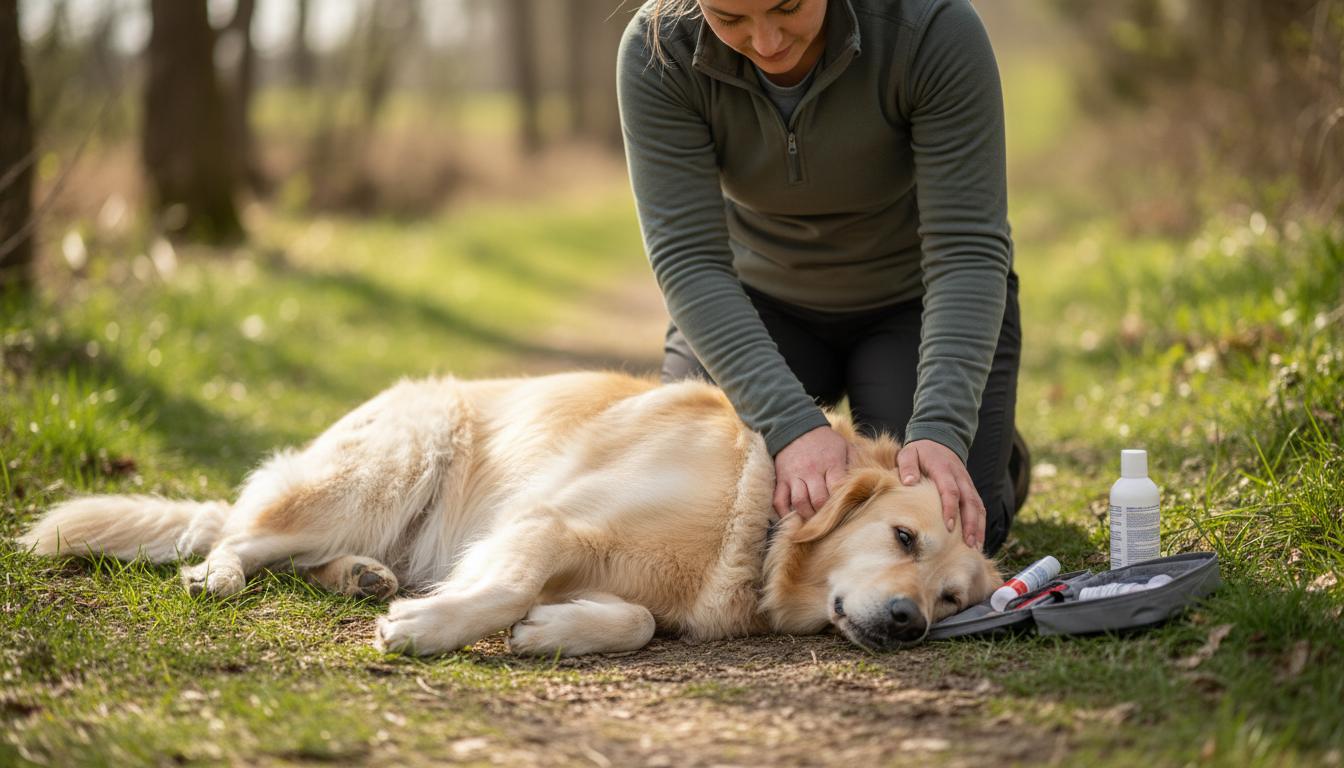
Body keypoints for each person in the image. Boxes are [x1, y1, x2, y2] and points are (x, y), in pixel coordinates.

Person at [616, 0, 1027, 555]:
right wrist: (789, 425)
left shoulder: (933, 27)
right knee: (696, 512)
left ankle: (992, 447)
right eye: (730, 18)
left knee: (949, 528)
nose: (766, 43)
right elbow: (689, 258)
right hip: (759, 306)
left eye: (786, 7)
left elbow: (966, 248)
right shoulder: (658, 50)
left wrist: (942, 426)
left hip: (917, 304)